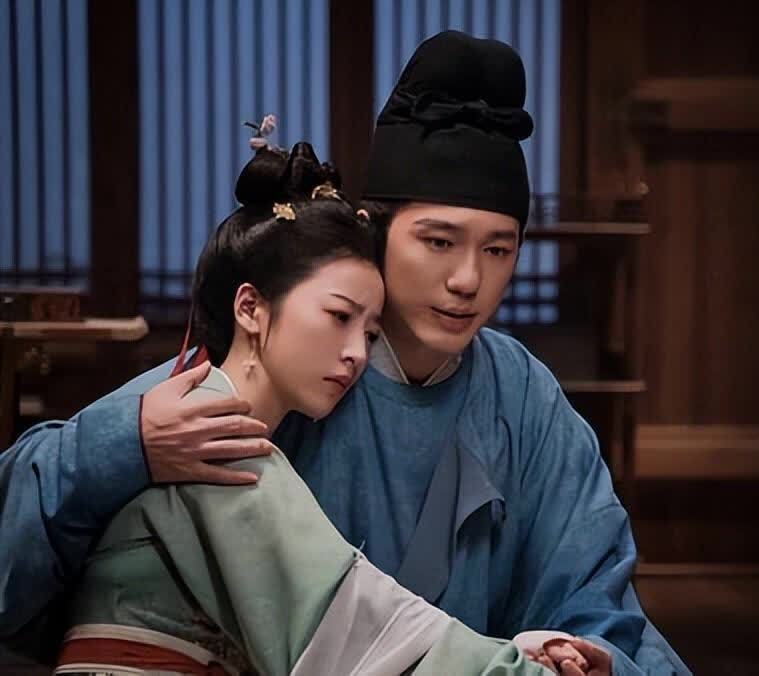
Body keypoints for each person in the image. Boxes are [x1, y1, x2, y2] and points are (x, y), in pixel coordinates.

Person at [0, 30, 689, 676]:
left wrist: (591, 655)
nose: (468, 279)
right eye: (438, 241)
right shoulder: (295, 360)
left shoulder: (522, 395)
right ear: (374, 230)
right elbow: (31, 503)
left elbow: (595, 593)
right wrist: (130, 443)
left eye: (498, 250)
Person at [54, 140, 558, 676]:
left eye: (370, 333)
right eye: (338, 317)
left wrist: (519, 650)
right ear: (250, 307)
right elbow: (352, 624)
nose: (357, 353)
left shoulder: (211, 419)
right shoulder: (206, 432)